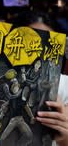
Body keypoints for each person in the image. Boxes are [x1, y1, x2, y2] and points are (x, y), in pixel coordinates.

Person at [11, 10, 68, 146]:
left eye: (45, 41)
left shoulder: (65, 85)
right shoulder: (3, 79)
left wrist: (64, 136)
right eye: (27, 40)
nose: (36, 49)